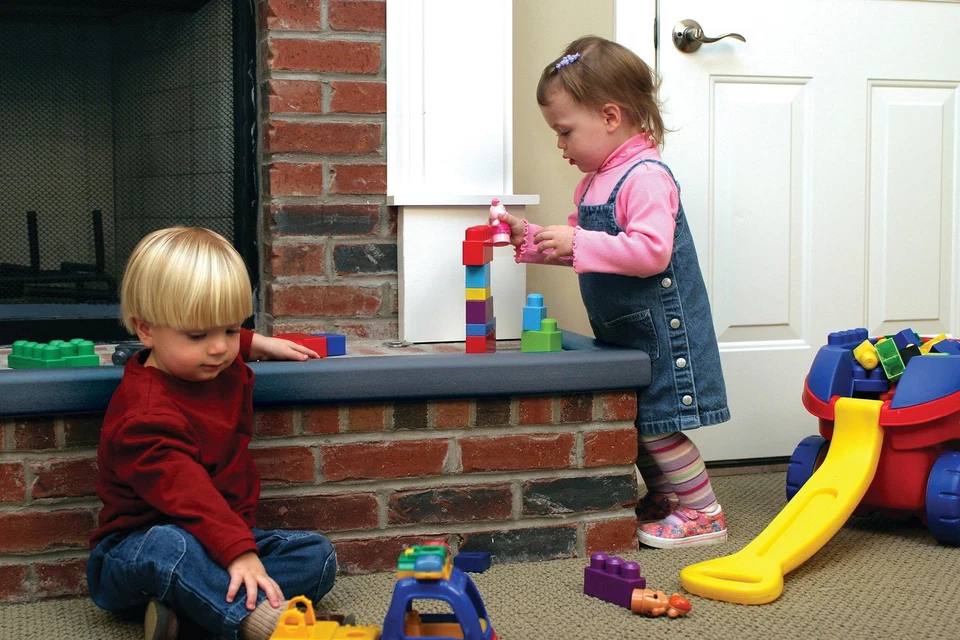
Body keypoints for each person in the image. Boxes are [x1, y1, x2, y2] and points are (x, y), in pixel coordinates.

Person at [497, 36, 731, 549]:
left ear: (609, 116)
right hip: (627, 330)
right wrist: (531, 241)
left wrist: (577, 239)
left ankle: (703, 510)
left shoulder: (645, 176)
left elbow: (651, 252)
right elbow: (585, 250)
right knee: (641, 420)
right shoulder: (594, 182)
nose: (561, 146)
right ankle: (670, 498)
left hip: (663, 330)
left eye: (565, 133)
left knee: (660, 423)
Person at [87, 227, 337, 640]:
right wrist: (238, 552)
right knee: (172, 547)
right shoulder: (144, 415)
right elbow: (189, 495)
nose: (220, 348)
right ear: (146, 330)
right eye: (199, 335)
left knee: (316, 556)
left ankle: (188, 614)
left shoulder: (213, 359)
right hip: (135, 552)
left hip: (218, 539)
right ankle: (253, 623)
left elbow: (220, 339)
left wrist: (261, 343)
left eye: (229, 329)